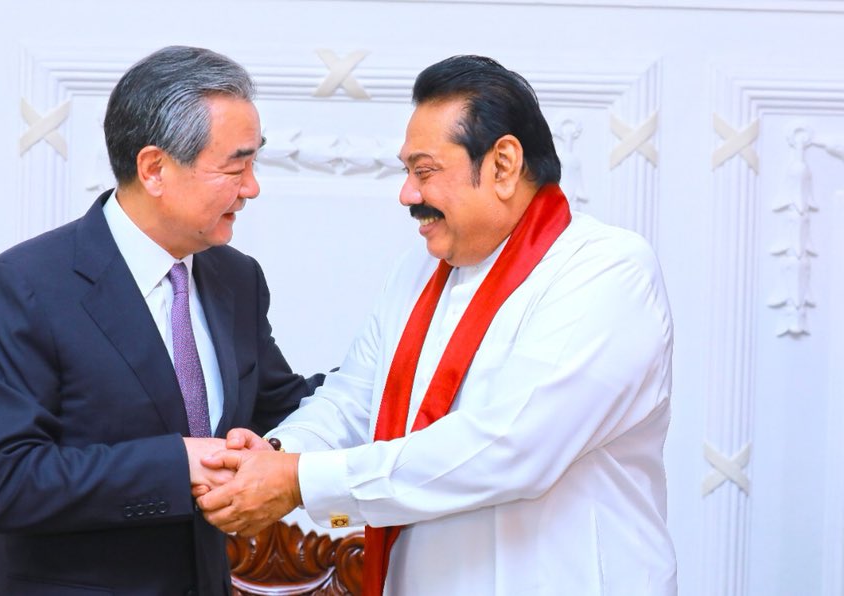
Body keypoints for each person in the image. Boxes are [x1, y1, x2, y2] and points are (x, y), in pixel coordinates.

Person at [195, 55, 677, 596]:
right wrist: (277, 453)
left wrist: (298, 481)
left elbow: (509, 450)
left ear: (503, 164)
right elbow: (356, 399)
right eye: (407, 173)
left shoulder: (606, 270)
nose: (408, 195)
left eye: (424, 172)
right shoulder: (419, 270)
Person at [0, 46, 322, 596]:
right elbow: (6, 483)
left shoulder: (237, 278)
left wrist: (392, 379)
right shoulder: (24, 285)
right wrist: (178, 463)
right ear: (154, 169)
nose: (252, 187)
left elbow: (277, 408)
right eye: (235, 167)